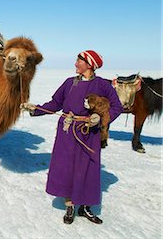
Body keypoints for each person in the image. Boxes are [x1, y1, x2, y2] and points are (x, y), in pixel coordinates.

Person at [21, 50, 123, 225]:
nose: (75, 64)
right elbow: (55, 104)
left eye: (79, 61)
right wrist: (35, 109)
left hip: (89, 133)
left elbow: (117, 107)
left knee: (88, 169)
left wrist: (100, 118)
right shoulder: (69, 83)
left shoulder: (103, 85)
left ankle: (85, 207)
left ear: (90, 65)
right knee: (68, 167)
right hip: (67, 131)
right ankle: (70, 205)